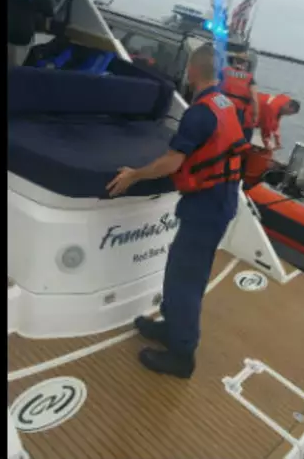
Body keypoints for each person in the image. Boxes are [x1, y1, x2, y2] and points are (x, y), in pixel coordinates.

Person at [107, 43, 247, 378]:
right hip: (220, 200)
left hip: (207, 207)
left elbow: (172, 161)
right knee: (183, 270)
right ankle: (172, 326)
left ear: (191, 71)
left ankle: (182, 354)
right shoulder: (224, 104)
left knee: (185, 278)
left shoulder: (199, 112)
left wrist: (134, 175)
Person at [219, 56, 260, 144]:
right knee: (232, 135)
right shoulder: (250, 78)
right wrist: (255, 115)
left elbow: (213, 85)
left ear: (233, 61)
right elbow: (254, 98)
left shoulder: (224, 71)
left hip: (220, 104)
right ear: (246, 64)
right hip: (237, 109)